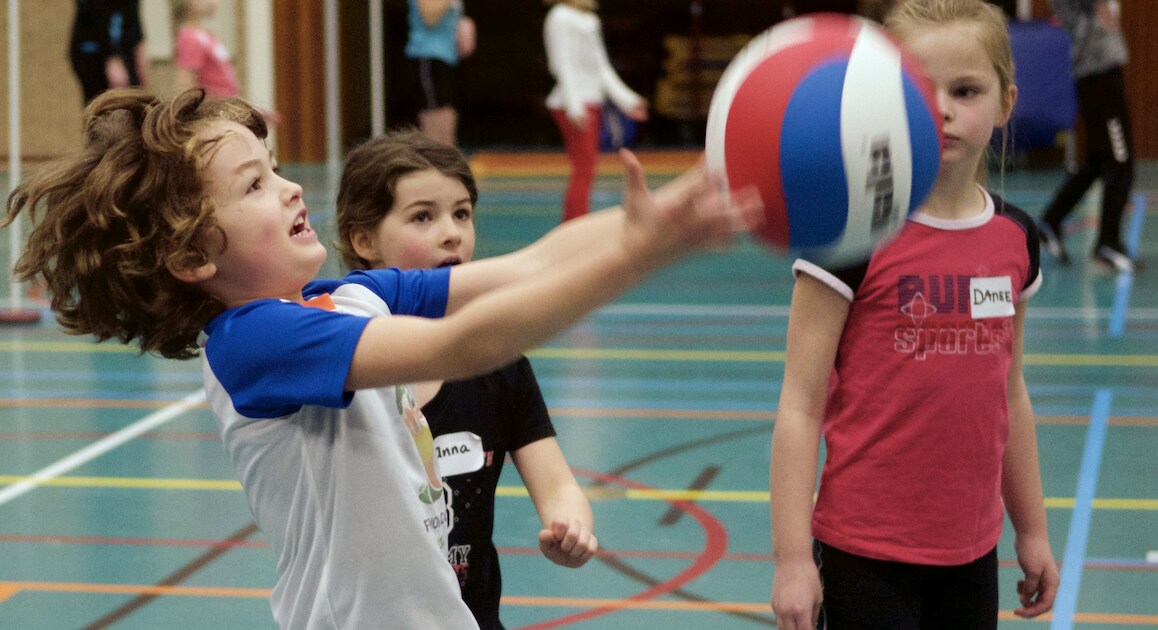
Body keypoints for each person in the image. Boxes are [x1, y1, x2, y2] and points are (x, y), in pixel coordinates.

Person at [1, 88, 759, 630]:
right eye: (256, 183)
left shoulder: (353, 298)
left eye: (275, 166)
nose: (293, 187)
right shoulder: (255, 343)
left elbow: (523, 267)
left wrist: (676, 202)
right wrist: (638, 258)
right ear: (195, 253)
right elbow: (467, 344)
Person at [768, 1, 1059, 628]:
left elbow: (1010, 392)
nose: (943, 109)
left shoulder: (1015, 238)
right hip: (863, 554)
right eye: (919, 91)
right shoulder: (848, 233)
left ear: (1006, 102)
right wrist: (792, 559)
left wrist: (1031, 529)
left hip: (972, 554)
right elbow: (799, 402)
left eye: (966, 90)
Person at [335, 130, 597, 629]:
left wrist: (572, 525)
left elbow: (559, 485)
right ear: (363, 240)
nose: (452, 232)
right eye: (423, 216)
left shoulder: (499, 365)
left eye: (462, 213)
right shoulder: (338, 366)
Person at [1036, 0, 1137, 272]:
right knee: (1119, 162)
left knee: (1097, 161)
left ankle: (1052, 220)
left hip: (1102, 74)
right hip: (1097, 76)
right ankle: (1107, 243)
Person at [543, 0, 649, 223]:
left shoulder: (591, 20)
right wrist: (574, 105)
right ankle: (573, 225)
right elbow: (563, 65)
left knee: (586, 169)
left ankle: (574, 224)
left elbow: (601, 67)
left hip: (590, 102)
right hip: (573, 104)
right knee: (584, 169)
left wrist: (627, 100)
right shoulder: (559, 17)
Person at [171, 0, 279, 125]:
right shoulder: (190, 38)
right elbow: (184, 86)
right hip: (213, 117)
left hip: (225, 111)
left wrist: (246, 109)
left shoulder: (206, 35)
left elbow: (222, 83)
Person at [406, 0, 476, 146]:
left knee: (448, 122)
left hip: (448, 59)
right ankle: (435, 165)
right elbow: (429, 17)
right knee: (436, 129)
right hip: (428, 57)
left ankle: (446, 165)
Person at [69, 0, 147, 104]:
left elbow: (131, 12)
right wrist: (113, 56)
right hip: (93, 51)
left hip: (122, 45)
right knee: (103, 101)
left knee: (134, 96)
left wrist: (140, 44)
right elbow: (96, 16)